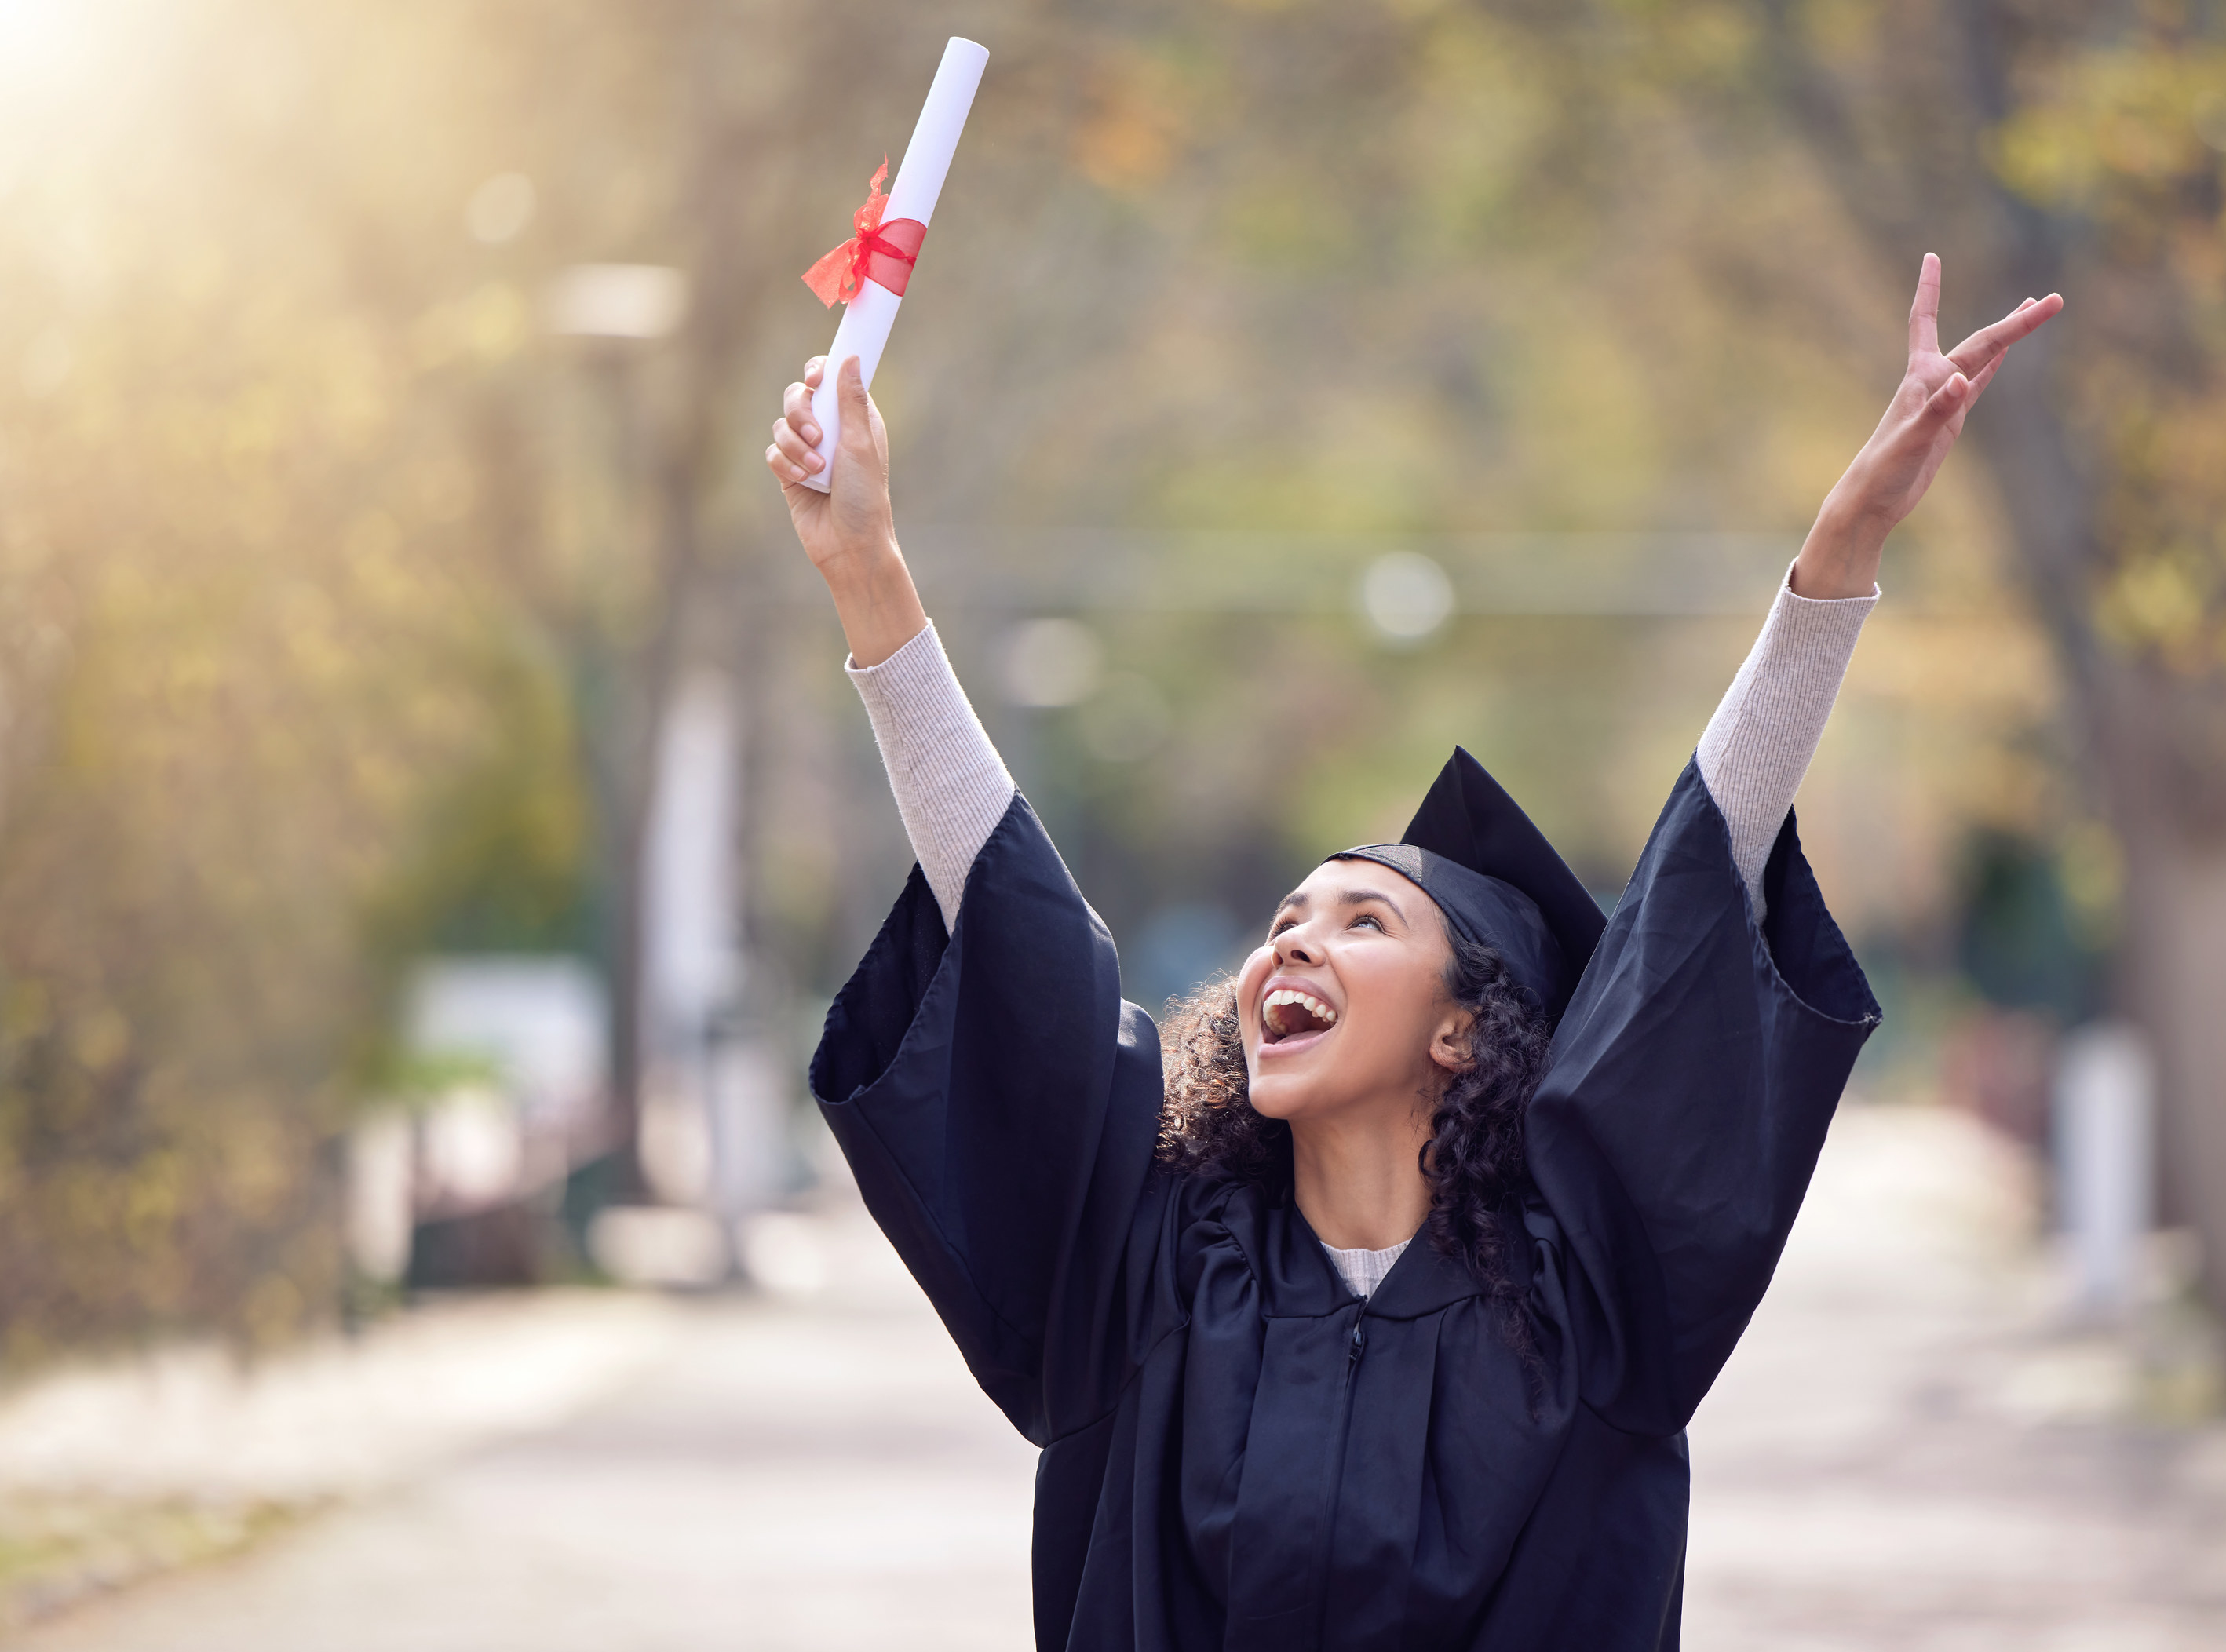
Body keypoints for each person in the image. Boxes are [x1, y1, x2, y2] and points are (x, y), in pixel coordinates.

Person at [765, 254, 2060, 1652]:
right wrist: (868, 575)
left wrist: (1840, 558)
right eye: (1283, 926)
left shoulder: (1590, 1315)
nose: (1291, 949)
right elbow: (1014, 920)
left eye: (1361, 921)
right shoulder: (1146, 1283)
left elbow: (1695, 884)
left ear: (1466, 1029)